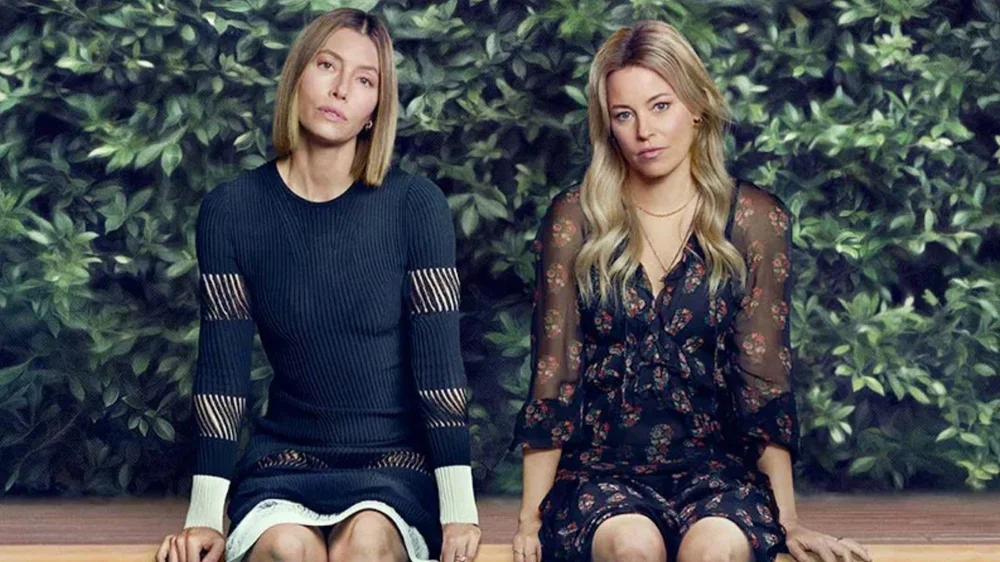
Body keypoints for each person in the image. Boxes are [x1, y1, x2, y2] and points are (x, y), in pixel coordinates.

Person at [511, 20, 871, 562]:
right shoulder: (575, 218)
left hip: (717, 470)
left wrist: (789, 519)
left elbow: (763, 379)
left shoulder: (754, 218)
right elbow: (554, 372)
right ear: (608, 126)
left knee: (713, 552)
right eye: (624, 115)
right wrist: (527, 521)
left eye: (660, 106)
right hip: (602, 473)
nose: (644, 131)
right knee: (633, 548)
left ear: (697, 107)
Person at [155, 8, 481, 562]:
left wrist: (459, 512)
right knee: (288, 550)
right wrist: (204, 517)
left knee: (366, 543)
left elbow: (440, 375)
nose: (340, 89)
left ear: (376, 109)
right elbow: (222, 379)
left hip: (393, 465)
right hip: (285, 461)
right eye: (327, 66)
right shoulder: (231, 210)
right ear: (298, 77)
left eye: (364, 79)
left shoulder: (415, 206)